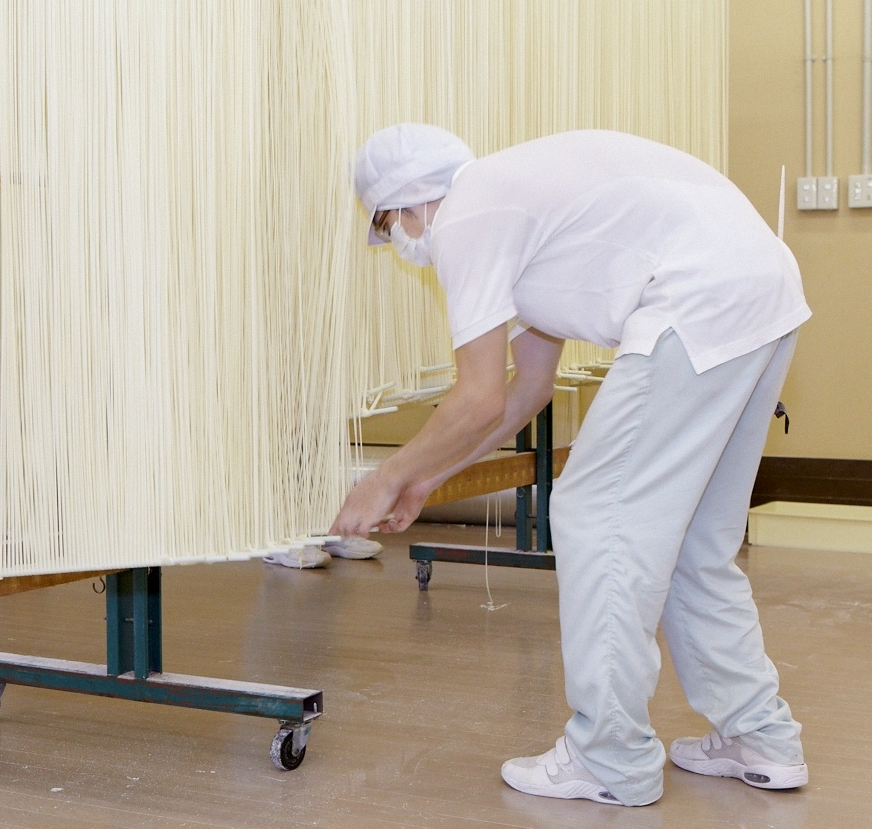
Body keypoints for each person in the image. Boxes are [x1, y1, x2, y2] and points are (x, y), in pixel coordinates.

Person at [332, 124, 811, 807]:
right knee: (696, 539)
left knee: (596, 515)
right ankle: (760, 733)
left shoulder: (469, 215)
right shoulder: (515, 207)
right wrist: (423, 479)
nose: (403, 242)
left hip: (695, 298)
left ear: (411, 201)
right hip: (761, 290)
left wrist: (381, 478)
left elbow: (477, 396)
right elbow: (525, 391)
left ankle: (609, 754)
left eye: (390, 224)